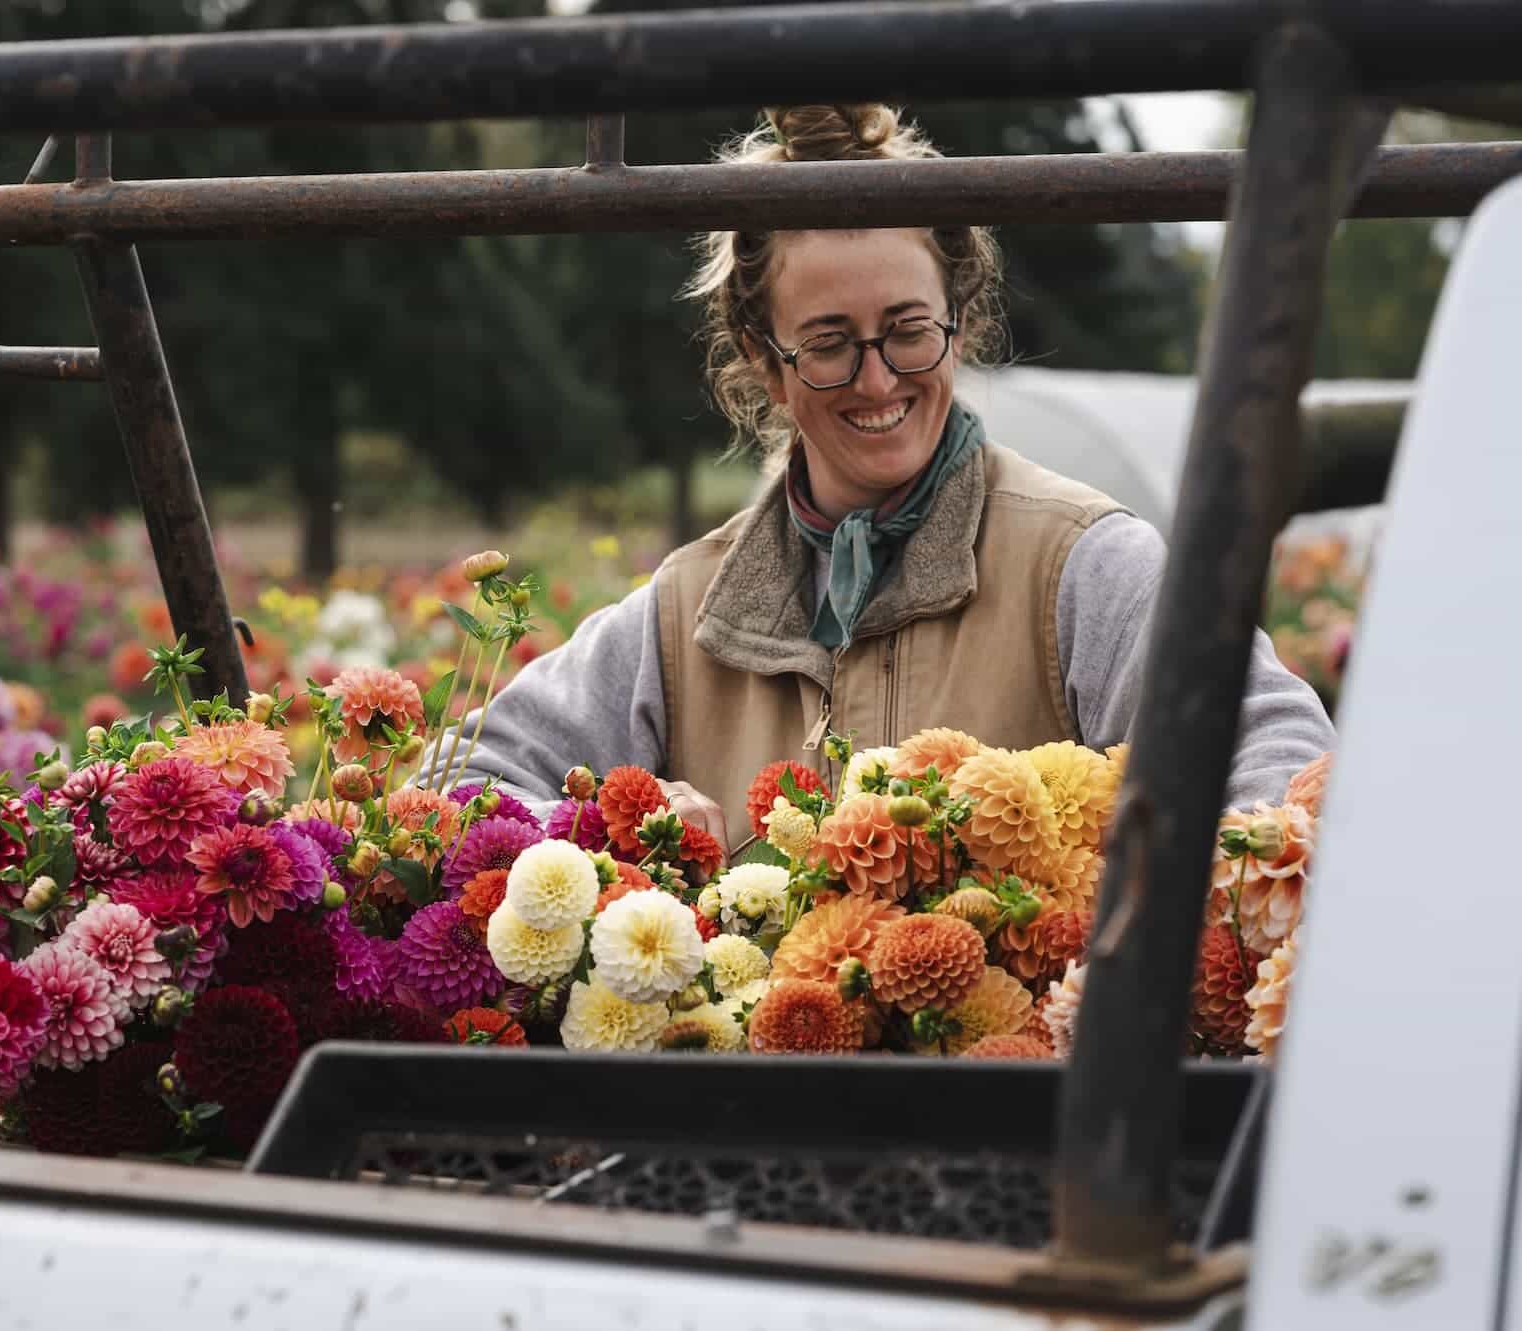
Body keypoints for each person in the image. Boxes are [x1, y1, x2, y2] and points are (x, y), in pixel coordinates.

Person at [440, 103, 1333, 857]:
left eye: (909, 329)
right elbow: (457, 788)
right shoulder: (688, 616)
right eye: (829, 344)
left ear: (959, 315)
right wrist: (608, 828)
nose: (878, 382)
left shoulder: (1082, 568)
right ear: (765, 360)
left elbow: (1282, 762)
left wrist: (1112, 905)